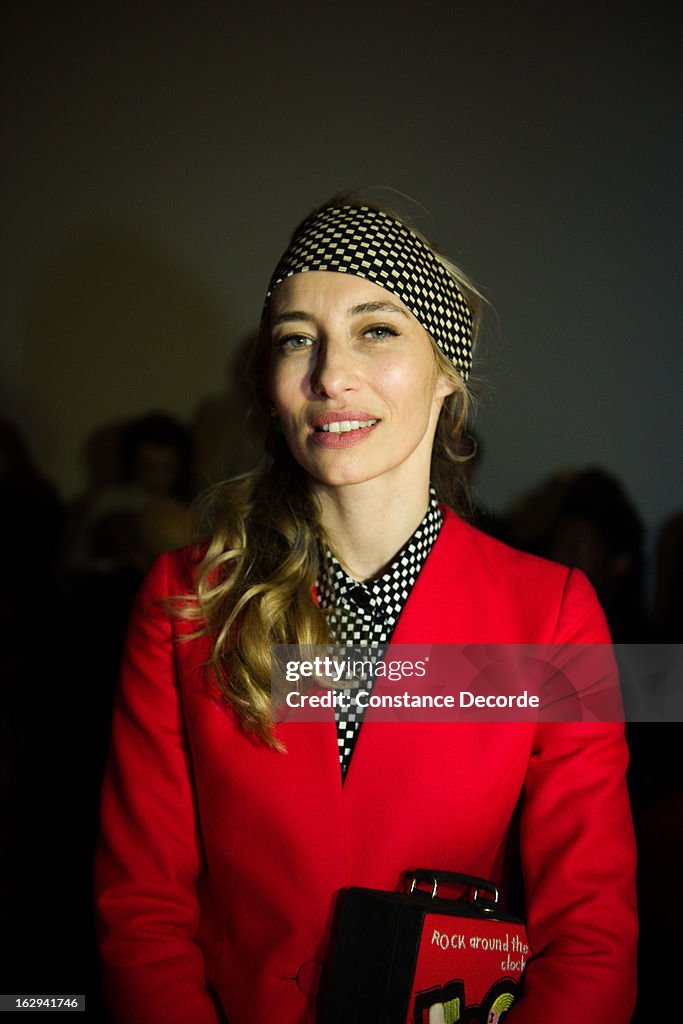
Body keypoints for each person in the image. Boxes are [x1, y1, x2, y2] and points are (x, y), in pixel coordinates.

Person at [94, 197, 637, 1023]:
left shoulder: (551, 615)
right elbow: (141, 911)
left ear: (446, 371)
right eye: (295, 338)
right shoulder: (187, 601)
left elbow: (590, 935)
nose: (329, 373)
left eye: (375, 329)